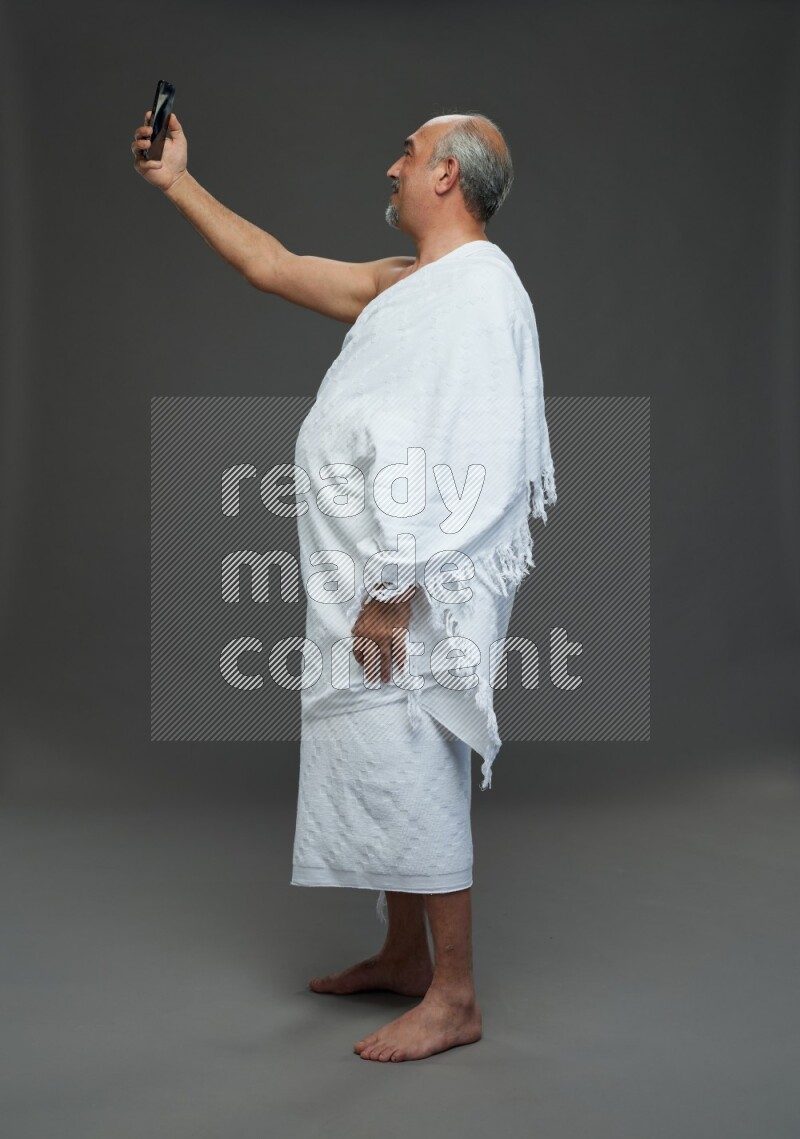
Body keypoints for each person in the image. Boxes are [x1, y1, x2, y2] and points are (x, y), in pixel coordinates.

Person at [132, 107, 555, 1063]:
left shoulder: (483, 294)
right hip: (361, 570)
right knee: (381, 756)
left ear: (447, 173)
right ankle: (407, 955)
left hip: (411, 582)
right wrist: (179, 183)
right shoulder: (408, 283)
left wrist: (397, 583)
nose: (392, 164)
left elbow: (466, 447)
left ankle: (455, 996)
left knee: (417, 755)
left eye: (408, 151)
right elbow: (273, 265)